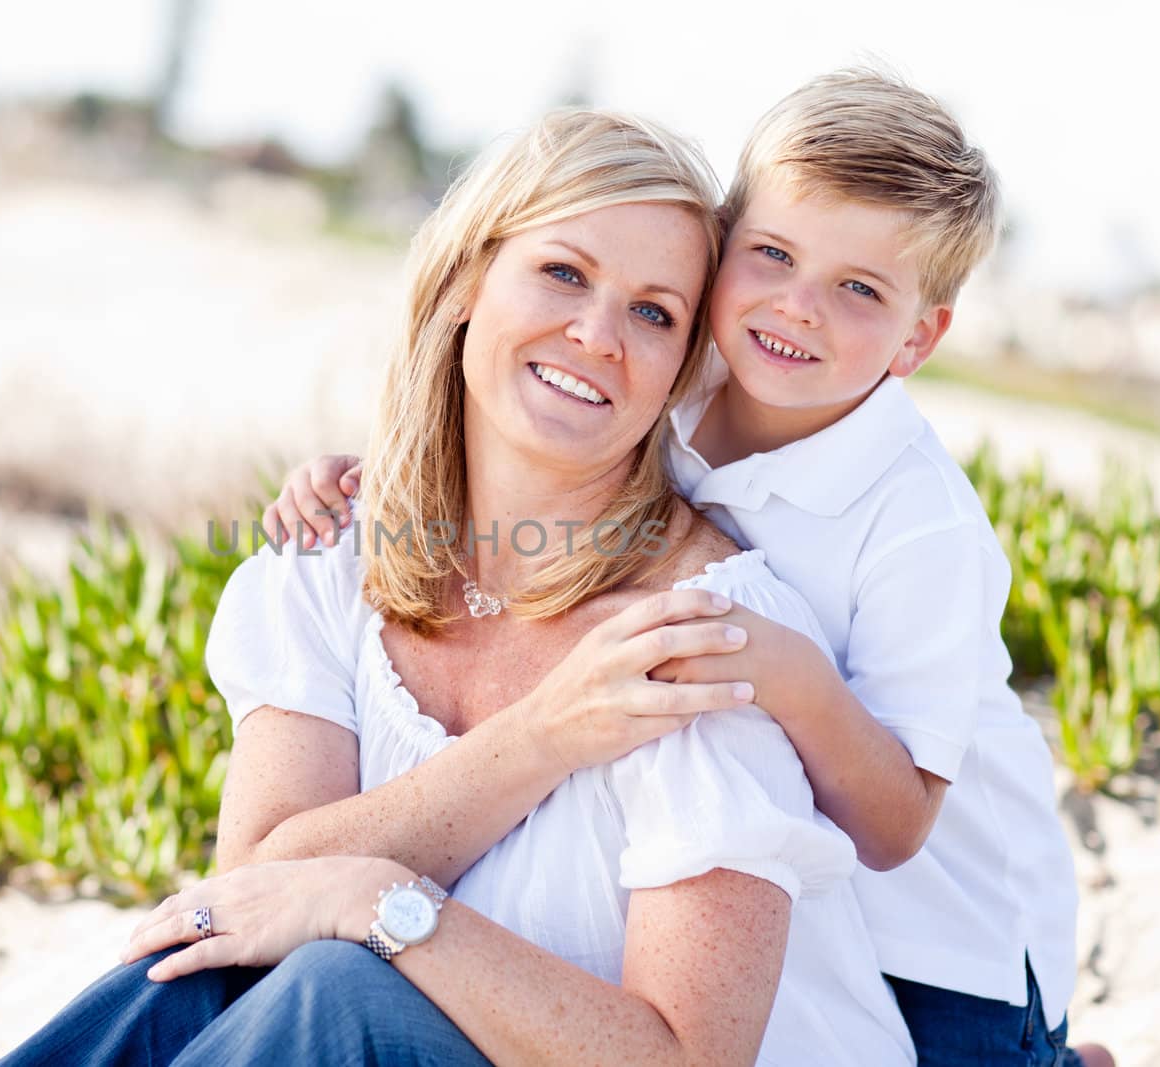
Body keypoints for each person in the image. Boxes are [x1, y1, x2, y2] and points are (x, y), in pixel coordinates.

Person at [0, 108, 914, 1066]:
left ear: (679, 370)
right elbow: (252, 896)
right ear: (469, 279)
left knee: (336, 986)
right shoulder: (332, 555)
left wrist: (378, 903)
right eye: (564, 271)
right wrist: (544, 733)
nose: (597, 333)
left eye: (654, 312)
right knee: (192, 978)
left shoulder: (697, 640)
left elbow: (687, 1058)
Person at [263, 70, 1113, 1067]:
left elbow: (895, 824)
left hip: (937, 936)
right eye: (773, 255)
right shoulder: (680, 374)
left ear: (919, 335)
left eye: (858, 289)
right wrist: (369, 477)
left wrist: (790, 673)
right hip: (804, 894)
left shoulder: (920, 523)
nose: (796, 309)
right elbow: (539, 435)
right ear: (722, 247)